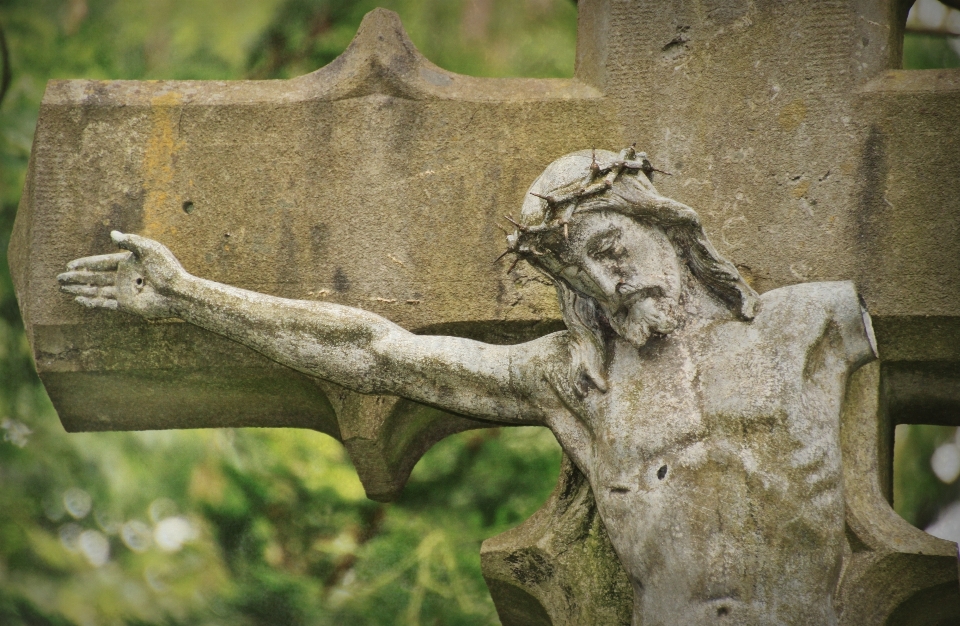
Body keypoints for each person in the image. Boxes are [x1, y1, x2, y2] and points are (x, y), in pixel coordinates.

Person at [59, 148, 877, 625]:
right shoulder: (579, 379)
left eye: (611, 246)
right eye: (578, 273)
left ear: (663, 222)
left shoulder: (811, 325)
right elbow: (378, 353)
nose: (606, 281)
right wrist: (187, 296)